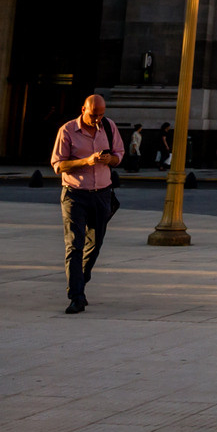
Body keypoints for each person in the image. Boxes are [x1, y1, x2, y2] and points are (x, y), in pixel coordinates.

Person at [51, 93, 125, 313]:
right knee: (75, 245)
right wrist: (87, 160)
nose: (97, 120)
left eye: (101, 115)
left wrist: (108, 159)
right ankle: (76, 296)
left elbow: (119, 154)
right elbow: (58, 165)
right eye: (94, 115)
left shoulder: (109, 127)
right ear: (83, 109)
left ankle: (81, 279)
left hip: (102, 194)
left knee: (95, 245)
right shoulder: (67, 131)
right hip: (75, 194)